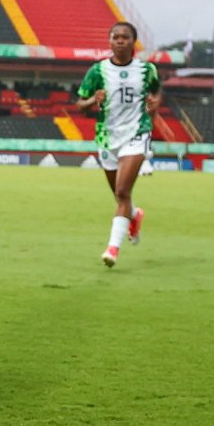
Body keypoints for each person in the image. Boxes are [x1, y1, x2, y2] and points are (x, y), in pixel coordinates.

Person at [75, 20, 161, 265]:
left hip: (136, 133)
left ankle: (112, 249)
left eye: (125, 37)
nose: (120, 40)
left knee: (123, 191)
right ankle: (135, 215)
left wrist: (153, 105)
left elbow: (155, 93)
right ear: (110, 41)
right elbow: (80, 107)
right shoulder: (97, 71)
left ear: (134, 42)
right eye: (115, 37)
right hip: (107, 137)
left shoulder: (147, 70)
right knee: (119, 196)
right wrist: (93, 100)